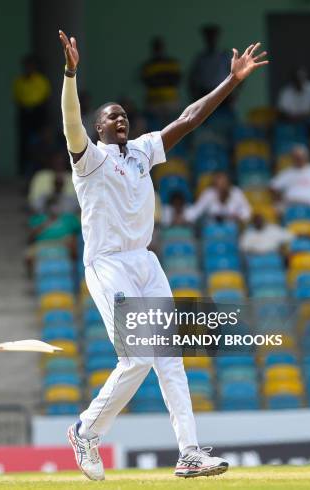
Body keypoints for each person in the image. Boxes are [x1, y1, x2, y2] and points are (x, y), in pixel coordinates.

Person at [59, 29, 268, 479]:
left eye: (124, 116)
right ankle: (85, 430)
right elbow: (70, 122)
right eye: (112, 117)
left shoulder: (141, 152)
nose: (121, 120)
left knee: (170, 356)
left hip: (145, 262)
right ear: (98, 129)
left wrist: (231, 82)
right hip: (107, 262)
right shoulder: (89, 159)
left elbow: (189, 118)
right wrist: (71, 73)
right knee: (136, 358)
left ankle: (189, 452)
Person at [13, 55, 52, 173]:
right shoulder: (19, 81)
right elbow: (17, 99)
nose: (29, 68)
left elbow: (46, 99)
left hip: (38, 113)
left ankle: (41, 169)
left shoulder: (41, 80)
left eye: (31, 66)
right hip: (25, 113)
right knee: (24, 143)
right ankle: (23, 171)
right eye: (26, 66)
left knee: (40, 142)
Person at [270, 144, 310, 209]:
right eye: (296, 157)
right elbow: (273, 187)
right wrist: (279, 198)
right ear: (292, 158)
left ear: (306, 157)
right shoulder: (287, 172)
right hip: (289, 204)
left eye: (301, 156)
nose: (299, 159)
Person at [140, 36, 182, 122]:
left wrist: (157, 78)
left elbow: (176, 81)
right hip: (153, 103)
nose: (158, 49)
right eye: (156, 47)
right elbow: (148, 82)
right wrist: (165, 78)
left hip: (171, 101)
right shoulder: (148, 65)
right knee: (155, 129)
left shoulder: (172, 63)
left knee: (173, 126)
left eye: (160, 47)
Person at [184, 172, 252, 224]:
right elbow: (196, 210)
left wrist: (237, 217)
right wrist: (185, 217)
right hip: (213, 229)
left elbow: (247, 212)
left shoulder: (236, 193)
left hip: (233, 229)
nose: (221, 187)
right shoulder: (209, 194)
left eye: (223, 183)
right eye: (217, 184)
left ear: (228, 183)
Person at [188, 25, 232, 102]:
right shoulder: (200, 58)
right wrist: (194, 96)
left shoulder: (225, 56)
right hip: (204, 93)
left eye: (213, 36)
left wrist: (234, 93)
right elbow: (192, 78)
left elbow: (236, 74)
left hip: (223, 93)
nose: (211, 39)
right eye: (209, 37)